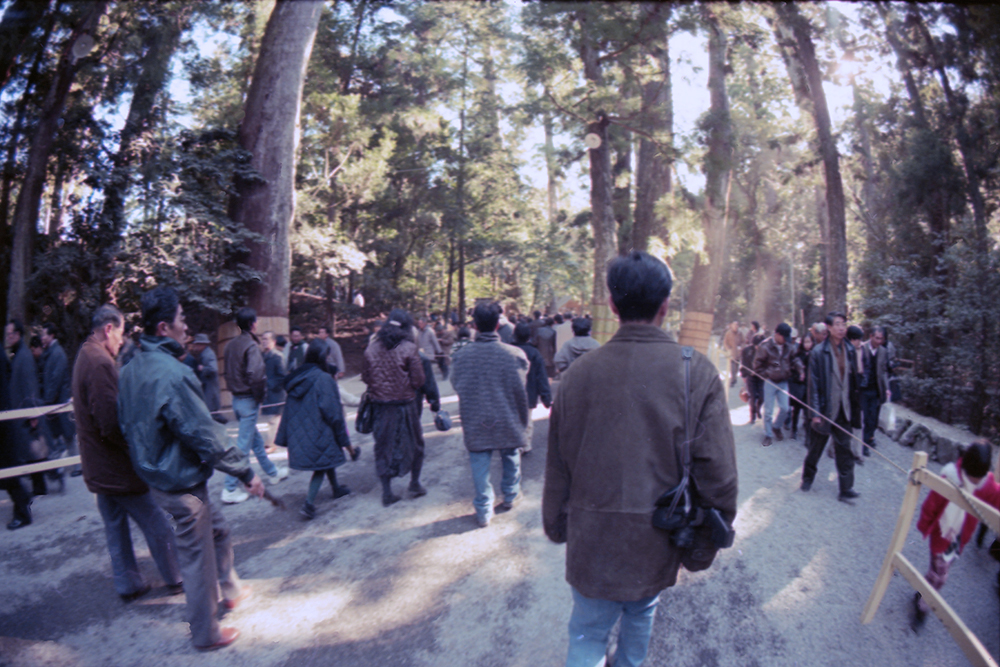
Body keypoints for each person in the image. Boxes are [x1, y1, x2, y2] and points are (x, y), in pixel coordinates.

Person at [543, 251, 737, 667]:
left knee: (588, 631)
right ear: (665, 306)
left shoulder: (577, 375)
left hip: (591, 536)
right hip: (657, 537)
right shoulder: (697, 372)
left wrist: (557, 524)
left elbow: (558, 464)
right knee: (642, 612)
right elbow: (718, 473)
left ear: (613, 305)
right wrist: (703, 546)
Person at [118, 286, 265, 650]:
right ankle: (205, 631)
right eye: (182, 319)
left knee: (218, 529)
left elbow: (126, 425)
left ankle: (231, 589)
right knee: (197, 557)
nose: (186, 326)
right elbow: (205, 435)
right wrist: (245, 473)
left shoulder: (131, 369)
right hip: (180, 482)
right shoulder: (172, 373)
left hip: (162, 477)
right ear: (164, 327)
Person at [74, 304, 183, 602]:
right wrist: (136, 446)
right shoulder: (99, 362)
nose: (121, 341)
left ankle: (128, 582)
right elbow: (110, 422)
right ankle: (177, 574)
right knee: (156, 522)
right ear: (108, 329)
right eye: (120, 333)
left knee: (115, 526)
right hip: (115, 466)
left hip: (98, 465)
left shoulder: (85, 353)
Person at [451, 301, 529, 528]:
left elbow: (457, 384)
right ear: (497, 325)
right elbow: (520, 386)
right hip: (506, 414)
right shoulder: (515, 354)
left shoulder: (462, 356)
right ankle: (511, 495)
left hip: (476, 416)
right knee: (511, 455)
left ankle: (484, 509)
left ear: (474, 325)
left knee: (479, 462)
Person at [912, 441, 1000, 630]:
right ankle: (923, 605)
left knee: (939, 570)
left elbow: (997, 497)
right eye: (972, 477)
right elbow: (931, 504)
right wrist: (924, 524)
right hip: (942, 534)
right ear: (966, 467)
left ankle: (922, 590)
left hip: (960, 538)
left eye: (978, 478)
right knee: (940, 576)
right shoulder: (950, 477)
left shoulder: (986, 485)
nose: (975, 482)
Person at [276, 340, 353, 520]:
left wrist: (286, 436)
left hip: (301, 432)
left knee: (326, 457)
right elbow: (333, 413)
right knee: (321, 463)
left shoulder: (297, 377)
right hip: (318, 430)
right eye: (327, 356)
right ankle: (309, 504)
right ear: (322, 357)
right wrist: (345, 441)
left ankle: (336, 488)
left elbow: (288, 411)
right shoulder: (323, 379)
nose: (329, 359)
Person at [221, 308, 287, 504]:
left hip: (236, 399)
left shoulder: (230, 346)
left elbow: (227, 373)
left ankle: (273, 472)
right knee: (242, 448)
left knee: (256, 441)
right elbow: (256, 376)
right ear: (253, 324)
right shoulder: (250, 346)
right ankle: (229, 488)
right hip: (248, 399)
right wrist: (259, 397)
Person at [361, 308, 427, 506]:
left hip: (380, 406)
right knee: (416, 444)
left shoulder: (371, 348)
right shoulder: (409, 348)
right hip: (405, 405)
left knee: (382, 446)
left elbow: (366, 377)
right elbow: (418, 380)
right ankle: (414, 483)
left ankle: (387, 492)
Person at [800, 312, 862, 503]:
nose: (842, 328)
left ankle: (846, 488)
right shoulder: (819, 352)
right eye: (837, 324)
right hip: (825, 409)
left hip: (844, 409)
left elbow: (853, 380)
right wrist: (815, 412)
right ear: (828, 327)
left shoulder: (850, 349)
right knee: (815, 449)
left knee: (844, 449)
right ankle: (807, 478)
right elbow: (813, 384)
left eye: (844, 324)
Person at [1, 320, 33, 529]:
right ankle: (23, 498)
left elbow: (29, 385)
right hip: (7, 414)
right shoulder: (11, 354)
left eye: (11, 333)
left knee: (7, 467)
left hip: (4, 418)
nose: (8, 337)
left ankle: (22, 510)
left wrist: (32, 413)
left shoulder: (23, 355)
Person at [40, 323, 78, 476]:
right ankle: (70, 465)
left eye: (44, 334)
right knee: (63, 434)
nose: (42, 337)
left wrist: (48, 399)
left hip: (60, 401)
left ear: (52, 335)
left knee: (67, 435)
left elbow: (55, 379)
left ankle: (76, 466)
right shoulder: (52, 352)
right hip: (57, 401)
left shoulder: (57, 353)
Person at [753, 322, 799, 448]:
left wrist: (800, 368)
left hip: (783, 381)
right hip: (770, 382)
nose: (786, 340)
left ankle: (776, 426)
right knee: (768, 411)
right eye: (784, 337)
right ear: (777, 334)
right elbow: (757, 365)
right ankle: (768, 434)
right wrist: (767, 374)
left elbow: (794, 359)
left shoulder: (788, 346)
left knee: (785, 408)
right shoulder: (765, 346)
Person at [512, 321, 552, 455]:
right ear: (529, 336)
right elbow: (541, 377)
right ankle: (526, 444)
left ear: (514, 335)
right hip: (529, 392)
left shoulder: (509, 351)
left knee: (513, 418)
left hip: (510, 392)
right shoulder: (534, 353)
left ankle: (514, 443)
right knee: (527, 419)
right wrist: (546, 398)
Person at [859, 326, 891, 457]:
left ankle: (867, 441)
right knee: (863, 417)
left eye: (881, 339)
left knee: (872, 418)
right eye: (877, 338)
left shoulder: (883, 351)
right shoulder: (862, 348)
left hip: (876, 389)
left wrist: (886, 388)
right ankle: (861, 443)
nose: (879, 341)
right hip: (863, 389)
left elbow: (883, 371)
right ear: (871, 336)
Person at [184, 333, 224, 424]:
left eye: (197, 344)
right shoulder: (203, 353)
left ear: (202, 344)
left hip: (210, 387)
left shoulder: (208, 354)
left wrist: (202, 369)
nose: (195, 346)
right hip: (207, 386)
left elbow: (213, 369)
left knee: (211, 410)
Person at [260, 331, 286, 452]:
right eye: (263, 339)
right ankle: (270, 443)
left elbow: (282, 376)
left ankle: (271, 444)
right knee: (270, 419)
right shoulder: (262, 355)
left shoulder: (277, 356)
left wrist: (270, 384)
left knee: (274, 420)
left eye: (267, 339)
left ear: (274, 342)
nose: (264, 341)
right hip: (266, 393)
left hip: (276, 393)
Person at [788, 333, 815, 441]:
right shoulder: (798, 355)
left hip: (810, 387)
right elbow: (792, 370)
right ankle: (793, 429)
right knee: (796, 410)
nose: (807, 344)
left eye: (809, 342)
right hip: (799, 386)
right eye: (805, 342)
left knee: (807, 411)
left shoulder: (815, 354)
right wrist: (799, 376)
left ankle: (808, 433)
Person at [741, 333, 764, 425]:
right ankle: (752, 416)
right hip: (751, 376)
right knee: (752, 396)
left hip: (761, 377)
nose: (758, 347)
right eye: (756, 345)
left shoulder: (766, 351)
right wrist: (746, 374)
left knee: (762, 396)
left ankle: (758, 408)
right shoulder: (746, 351)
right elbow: (743, 364)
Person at [723, 321, 742, 388]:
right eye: (734, 325)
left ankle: (734, 378)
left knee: (736, 367)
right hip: (731, 353)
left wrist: (741, 347)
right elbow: (725, 342)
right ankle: (732, 380)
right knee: (732, 367)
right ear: (732, 326)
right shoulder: (728, 333)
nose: (735, 327)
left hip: (738, 353)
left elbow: (743, 341)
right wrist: (728, 349)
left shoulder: (740, 333)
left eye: (737, 325)